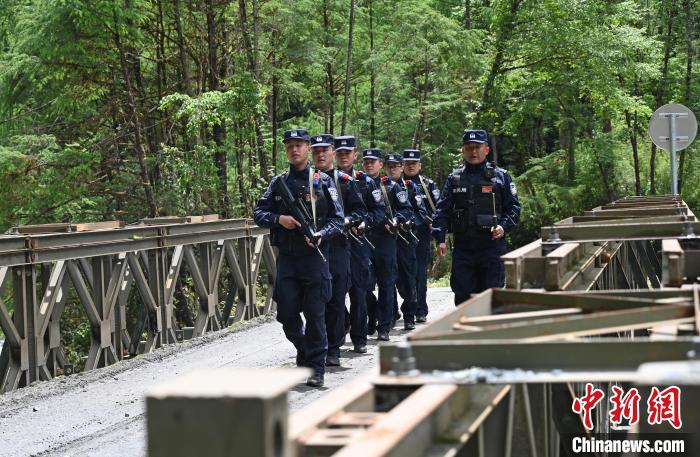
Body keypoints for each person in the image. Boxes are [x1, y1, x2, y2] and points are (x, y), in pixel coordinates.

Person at [253, 129, 344, 388]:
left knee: (315, 315)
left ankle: (316, 368)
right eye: (290, 145)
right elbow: (259, 214)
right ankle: (304, 348)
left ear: (308, 149)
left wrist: (321, 234)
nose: (294, 150)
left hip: (315, 259)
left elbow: (338, 220)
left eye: (299, 145)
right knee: (287, 314)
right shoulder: (278, 183)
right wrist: (279, 219)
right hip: (288, 259)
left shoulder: (323, 182)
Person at [433, 129, 521, 306]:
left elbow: (513, 208)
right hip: (463, 248)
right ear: (463, 151)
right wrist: (440, 238)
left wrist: (503, 227)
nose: (473, 151)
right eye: (469, 147)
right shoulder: (454, 178)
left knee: (491, 298)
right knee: (463, 297)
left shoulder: (500, 176)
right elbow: (442, 210)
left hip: (491, 247)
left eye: (477, 147)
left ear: (486, 149)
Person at [310, 133, 367, 365]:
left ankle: (333, 348)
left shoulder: (345, 181)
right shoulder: (305, 179)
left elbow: (360, 211)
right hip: (312, 248)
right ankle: (317, 345)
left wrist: (347, 221)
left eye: (325, 150)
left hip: (338, 246)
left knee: (335, 297)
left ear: (332, 153)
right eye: (316, 151)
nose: (321, 155)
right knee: (315, 299)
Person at [334, 135, 385, 354]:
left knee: (359, 292)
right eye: (340, 153)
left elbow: (379, 210)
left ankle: (359, 337)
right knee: (333, 292)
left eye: (348, 153)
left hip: (358, 242)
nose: (344, 156)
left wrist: (365, 222)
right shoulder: (327, 178)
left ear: (355, 155)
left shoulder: (365, 181)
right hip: (334, 244)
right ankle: (340, 328)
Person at [363, 149, 413, 341]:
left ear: (380, 164)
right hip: (363, 239)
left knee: (386, 283)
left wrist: (396, 221)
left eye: (373, 161)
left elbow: (406, 210)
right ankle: (373, 312)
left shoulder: (391, 186)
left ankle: (384, 326)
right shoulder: (356, 184)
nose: (369, 165)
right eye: (366, 162)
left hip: (385, 239)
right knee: (363, 284)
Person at [384, 153, 429, 330]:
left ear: (402, 167)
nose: (392, 169)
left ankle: (410, 314)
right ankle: (391, 313)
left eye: (395, 166)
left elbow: (421, 212)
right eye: (389, 166)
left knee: (408, 278)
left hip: (406, 238)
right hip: (386, 238)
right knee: (389, 278)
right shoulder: (379, 186)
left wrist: (411, 222)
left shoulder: (410, 187)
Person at [402, 149, 440, 323]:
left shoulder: (428, 185)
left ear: (419, 165)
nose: (410, 166)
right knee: (401, 275)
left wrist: (438, 233)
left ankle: (420, 309)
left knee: (419, 273)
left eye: (414, 163)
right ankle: (403, 306)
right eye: (407, 163)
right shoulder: (396, 183)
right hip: (400, 235)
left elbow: (438, 209)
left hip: (421, 234)